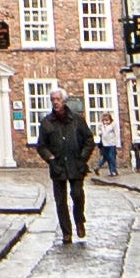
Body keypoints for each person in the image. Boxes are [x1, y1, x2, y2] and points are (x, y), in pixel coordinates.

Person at [37, 94, 97, 244]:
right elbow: (41, 145)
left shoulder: (77, 121)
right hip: (57, 166)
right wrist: (49, 158)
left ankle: (79, 220)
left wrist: (82, 157)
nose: (55, 102)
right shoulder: (46, 123)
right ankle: (66, 232)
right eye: (53, 100)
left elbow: (89, 139)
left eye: (58, 100)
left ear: (64, 101)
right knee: (60, 201)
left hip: (76, 164)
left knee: (77, 194)